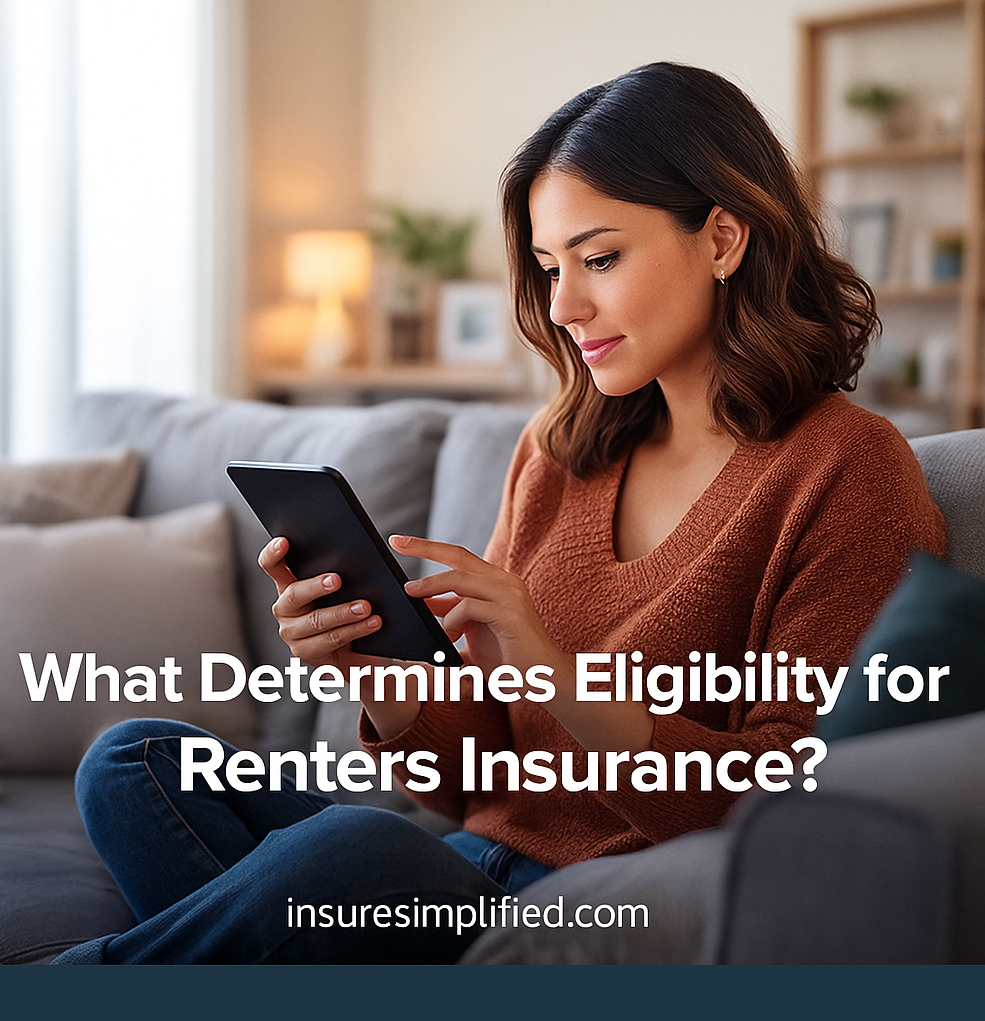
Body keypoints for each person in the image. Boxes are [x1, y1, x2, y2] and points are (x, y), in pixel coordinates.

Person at [52, 62, 945, 965]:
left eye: (599, 259)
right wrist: (377, 664)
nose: (563, 306)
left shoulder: (845, 468)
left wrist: (555, 674)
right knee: (133, 764)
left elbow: (799, 801)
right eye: (552, 268)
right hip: (461, 869)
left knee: (350, 852)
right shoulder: (558, 453)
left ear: (722, 238)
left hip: (593, 907)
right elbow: (463, 788)